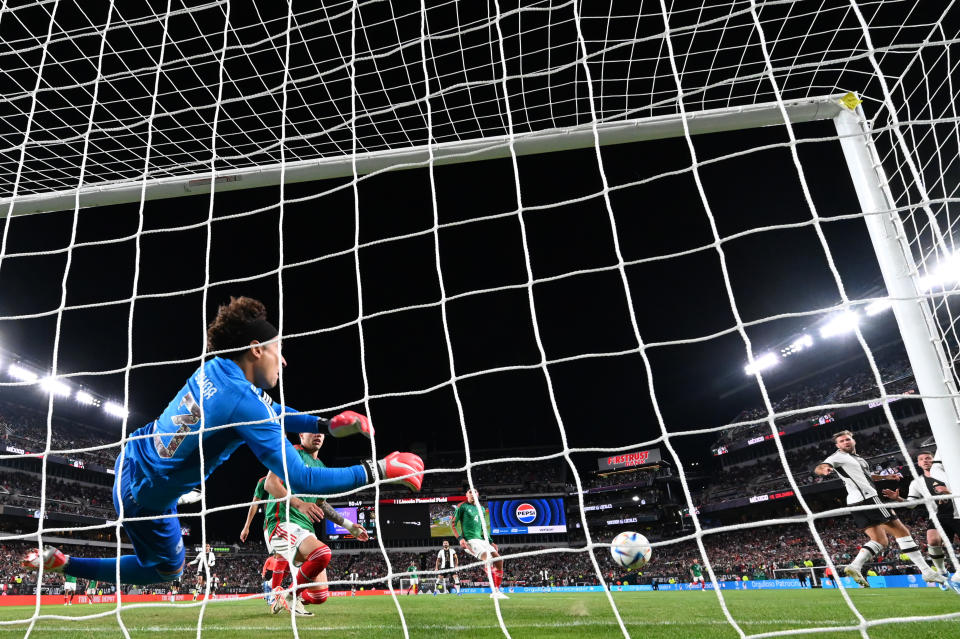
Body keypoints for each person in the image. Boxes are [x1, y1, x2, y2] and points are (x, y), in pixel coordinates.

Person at [21, 297, 424, 588]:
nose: (283, 360)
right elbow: (301, 478)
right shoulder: (241, 402)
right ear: (256, 349)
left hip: (134, 455)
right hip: (144, 498)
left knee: (170, 554)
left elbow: (275, 413)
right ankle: (66, 563)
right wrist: (381, 469)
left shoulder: (218, 367)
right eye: (278, 349)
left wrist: (325, 423)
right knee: (167, 571)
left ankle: (66, 560)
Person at [814, 430, 947, 589]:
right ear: (837, 446)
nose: (845, 443)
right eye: (841, 441)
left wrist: (886, 477)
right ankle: (926, 571)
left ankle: (855, 566)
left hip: (854, 503)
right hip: (869, 498)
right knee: (902, 532)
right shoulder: (837, 457)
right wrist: (824, 470)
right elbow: (822, 466)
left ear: (853, 441)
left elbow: (866, 476)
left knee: (880, 540)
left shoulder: (857, 459)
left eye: (847, 439)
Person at [263, 430, 372, 616]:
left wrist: (348, 525)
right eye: (311, 431)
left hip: (305, 530)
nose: (318, 435)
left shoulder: (320, 466)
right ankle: (290, 595)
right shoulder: (291, 453)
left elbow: (321, 503)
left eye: (321, 432)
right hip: (283, 524)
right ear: (300, 436)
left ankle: (286, 596)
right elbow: (270, 484)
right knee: (322, 553)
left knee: (320, 596)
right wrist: (299, 504)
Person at [883, 450, 960, 586]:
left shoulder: (949, 475)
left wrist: (949, 492)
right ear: (918, 463)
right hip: (937, 516)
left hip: (957, 513)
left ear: (934, 460)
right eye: (922, 459)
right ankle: (942, 572)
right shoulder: (917, 483)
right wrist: (899, 499)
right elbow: (912, 505)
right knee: (932, 540)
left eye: (928, 458)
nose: (925, 460)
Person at [453, 488, 507, 600]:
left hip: (482, 540)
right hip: (470, 540)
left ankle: (496, 590)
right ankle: (494, 590)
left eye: (475, 492)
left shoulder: (481, 508)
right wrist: (460, 538)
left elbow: (483, 527)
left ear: (478, 495)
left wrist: (491, 542)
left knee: (499, 560)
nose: (472, 494)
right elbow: (453, 524)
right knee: (488, 559)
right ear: (466, 495)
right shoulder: (462, 506)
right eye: (470, 492)